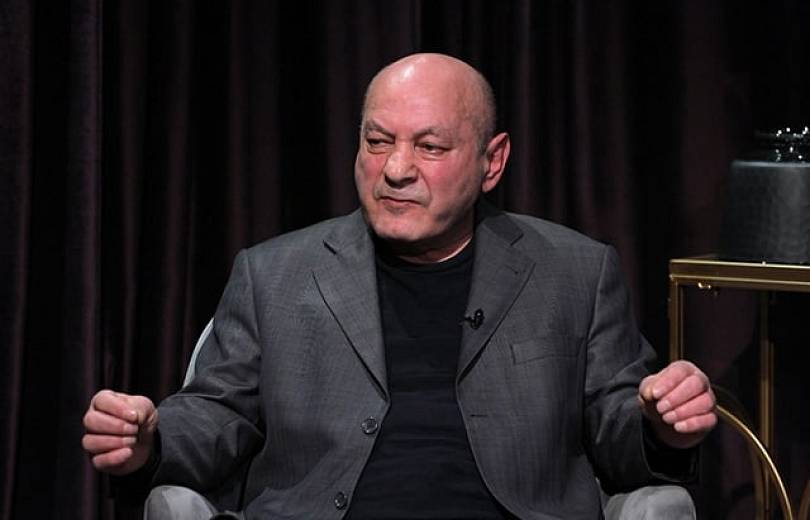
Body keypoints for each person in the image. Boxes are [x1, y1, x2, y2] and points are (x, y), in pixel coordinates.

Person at [82, 53, 716, 519]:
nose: (396, 168)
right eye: (378, 141)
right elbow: (217, 413)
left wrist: (659, 425)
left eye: (430, 147)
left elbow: (614, 423)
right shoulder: (273, 274)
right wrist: (150, 441)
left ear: (492, 161)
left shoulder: (575, 272)